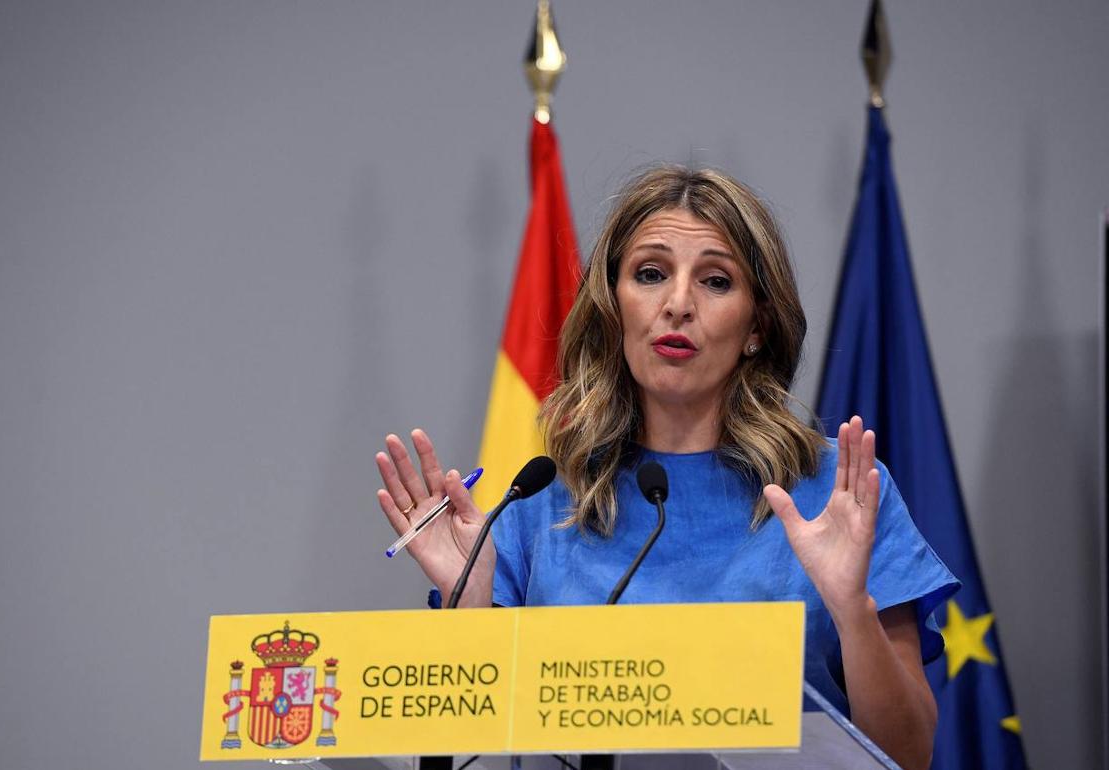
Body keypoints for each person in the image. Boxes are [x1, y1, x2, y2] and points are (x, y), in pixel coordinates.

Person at [375, 167, 958, 770]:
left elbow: (908, 753)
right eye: (650, 274)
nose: (678, 304)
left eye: (716, 281)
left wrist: (853, 609)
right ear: (613, 307)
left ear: (757, 326)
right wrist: (470, 608)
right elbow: (469, 743)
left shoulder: (836, 493)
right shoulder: (541, 500)